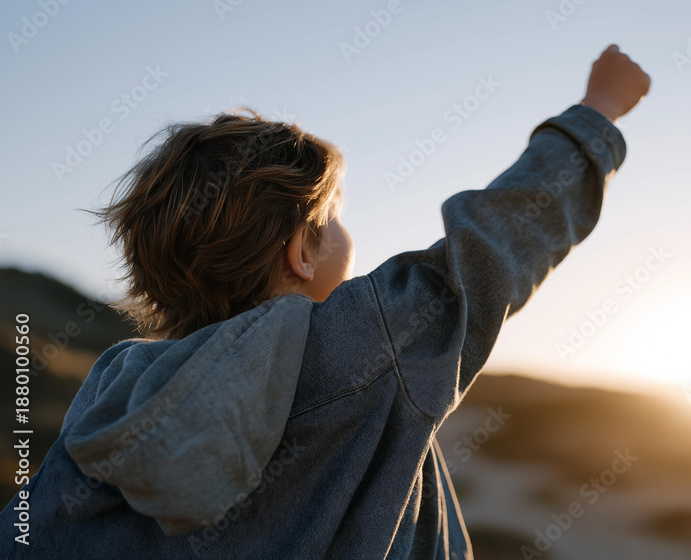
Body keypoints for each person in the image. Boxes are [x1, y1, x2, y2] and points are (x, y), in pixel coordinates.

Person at [1, 44, 650, 559]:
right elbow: (493, 245)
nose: (347, 232)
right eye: (334, 216)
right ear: (301, 254)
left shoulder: (118, 381)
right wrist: (597, 113)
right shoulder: (360, 345)